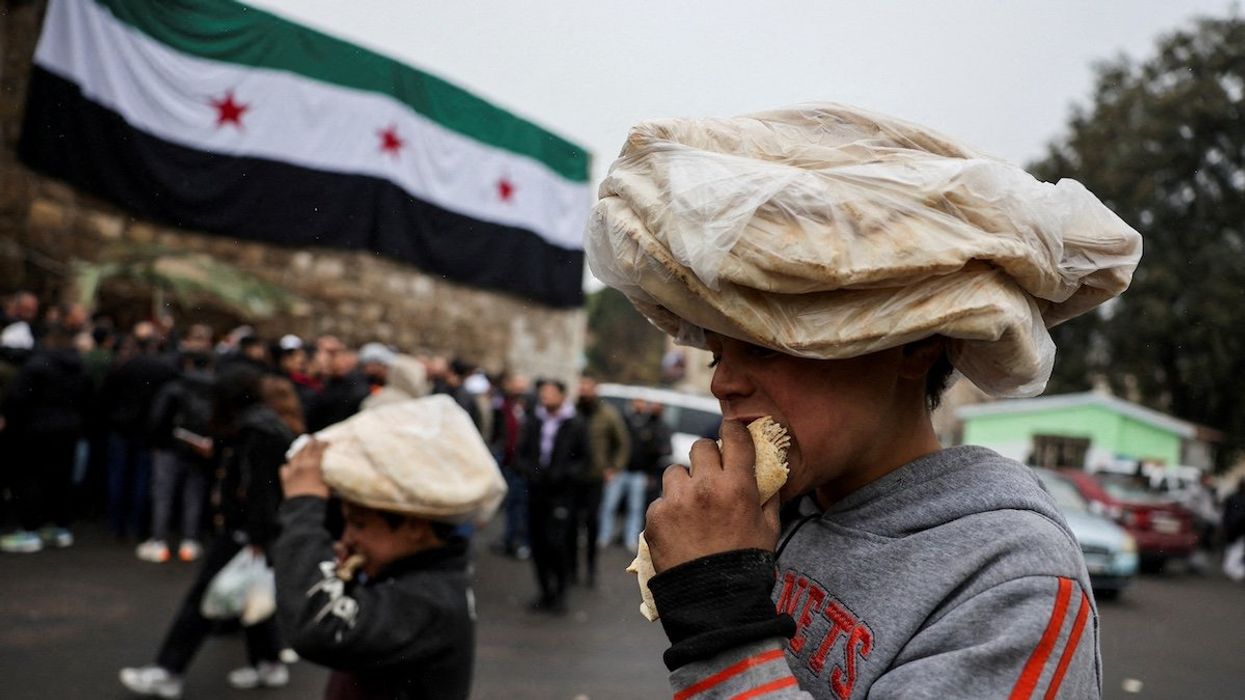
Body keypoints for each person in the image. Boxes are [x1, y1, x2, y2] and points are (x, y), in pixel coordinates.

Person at [584, 104, 1143, 698]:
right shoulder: (784, 517)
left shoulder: (1012, 576)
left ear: (912, 348)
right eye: (720, 355)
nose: (724, 384)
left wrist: (719, 620)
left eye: (768, 349)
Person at [271, 393, 505, 700]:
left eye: (360, 524)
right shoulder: (420, 579)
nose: (348, 538)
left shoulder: (432, 599)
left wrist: (304, 507)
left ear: (413, 527)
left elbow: (320, 630)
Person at [119, 368, 298, 698]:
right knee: (251, 595)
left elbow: (261, 490)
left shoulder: (256, 431)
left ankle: (168, 670)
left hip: (246, 532)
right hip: (253, 530)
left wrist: (257, 538)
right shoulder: (261, 426)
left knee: (204, 598)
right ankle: (268, 663)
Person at [0, 323, 91, 552]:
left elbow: (17, 399)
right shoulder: (78, 365)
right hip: (69, 430)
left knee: (30, 480)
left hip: (36, 431)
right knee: (60, 480)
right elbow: (88, 398)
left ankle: (29, 531)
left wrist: (12, 422)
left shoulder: (36, 365)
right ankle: (59, 528)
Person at [515, 379, 588, 613]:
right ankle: (544, 592)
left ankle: (560, 593)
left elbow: (584, 459)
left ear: (561, 396)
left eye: (549, 393)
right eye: (542, 394)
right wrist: (530, 471)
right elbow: (522, 453)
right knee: (537, 544)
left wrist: (564, 474)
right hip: (537, 491)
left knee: (556, 543)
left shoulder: (575, 423)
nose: (544, 397)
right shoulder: (534, 420)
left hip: (561, 494)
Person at [137, 349, 216, 563]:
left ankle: (159, 541)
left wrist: (157, 443)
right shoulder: (215, 388)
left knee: (163, 493)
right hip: (200, 448)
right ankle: (189, 542)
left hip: (170, 447)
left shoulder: (174, 387)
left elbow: (157, 418)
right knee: (194, 494)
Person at [570, 375, 630, 585]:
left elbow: (622, 443)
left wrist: (614, 467)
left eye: (588, 387)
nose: (584, 391)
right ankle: (572, 570)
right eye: (581, 387)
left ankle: (591, 570)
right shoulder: (572, 412)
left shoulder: (607, 415)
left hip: (595, 477)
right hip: (573, 477)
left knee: (591, 523)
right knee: (570, 524)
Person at [598, 398, 671, 553]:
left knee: (635, 508)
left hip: (639, 473)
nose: (640, 405)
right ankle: (604, 536)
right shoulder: (623, 421)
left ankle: (630, 539)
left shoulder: (649, 424)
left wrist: (649, 473)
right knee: (609, 505)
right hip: (620, 471)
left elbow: (656, 450)